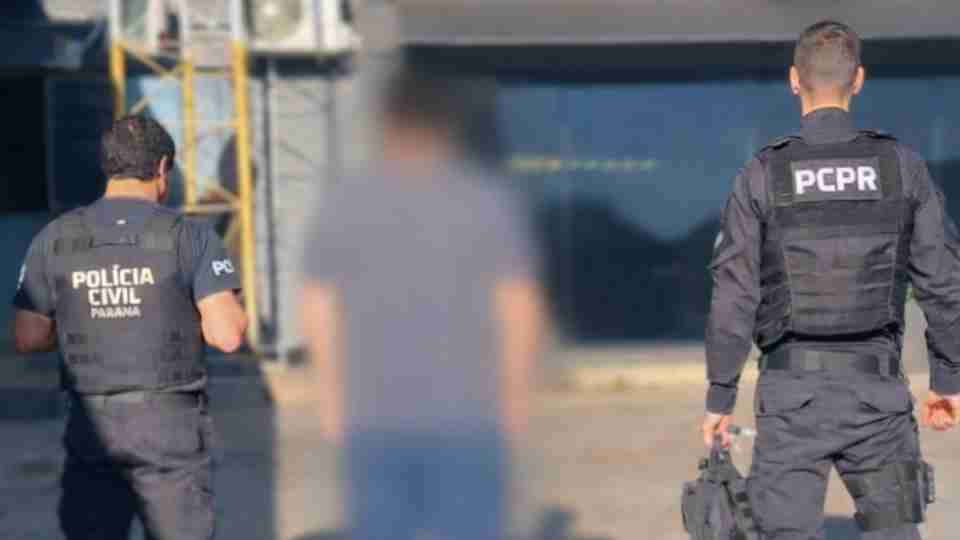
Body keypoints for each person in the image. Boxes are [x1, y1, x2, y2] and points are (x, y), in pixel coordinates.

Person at [700, 20, 960, 540]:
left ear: (794, 80)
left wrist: (720, 396)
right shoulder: (901, 166)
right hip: (877, 394)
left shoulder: (762, 173)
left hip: (791, 397)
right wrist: (948, 379)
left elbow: (735, 296)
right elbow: (943, 282)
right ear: (858, 80)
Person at [300, 65, 545, 540]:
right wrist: (514, 398)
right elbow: (518, 306)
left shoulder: (347, 202)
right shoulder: (486, 201)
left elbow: (318, 306)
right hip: (468, 416)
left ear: (386, 123)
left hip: (374, 416)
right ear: (446, 126)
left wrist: (331, 398)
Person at [13, 114, 247, 540]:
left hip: (91, 426)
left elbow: (28, 336)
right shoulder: (191, 237)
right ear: (162, 167)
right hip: (169, 428)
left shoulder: (53, 238)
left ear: (107, 165)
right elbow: (227, 336)